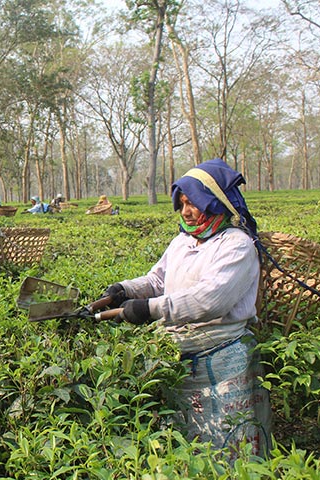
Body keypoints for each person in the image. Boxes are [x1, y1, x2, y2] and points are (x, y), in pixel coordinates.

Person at [98, 158, 271, 458]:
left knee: (232, 448)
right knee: (192, 446)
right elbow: (157, 279)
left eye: (195, 203)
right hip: (182, 356)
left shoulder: (237, 245)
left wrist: (148, 310)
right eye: (182, 203)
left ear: (217, 203)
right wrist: (124, 290)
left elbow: (211, 299)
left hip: (224, 357)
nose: (187, 212)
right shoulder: (183, 241)